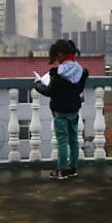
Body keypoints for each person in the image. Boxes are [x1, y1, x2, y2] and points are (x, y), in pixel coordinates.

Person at [34, 39, 89, 179]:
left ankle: (62, 170)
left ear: (59, 54)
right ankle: (73, 168)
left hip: (60, 112)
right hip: (74, 110)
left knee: (62, 141)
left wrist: (37, 83)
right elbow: (79, 90)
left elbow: (49, 91)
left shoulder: (58, 74)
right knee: (74, 140)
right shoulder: (80, 71)